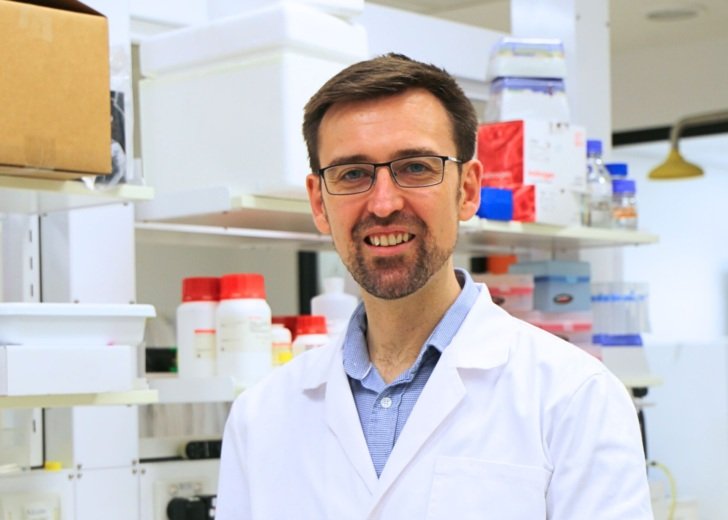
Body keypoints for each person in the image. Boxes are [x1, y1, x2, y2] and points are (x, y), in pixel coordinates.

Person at [216, 53, 652, 519]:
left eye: (416, 167)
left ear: (467, 189)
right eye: (352, 174)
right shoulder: (260, 416)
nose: (383, 204)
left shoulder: (575, 396)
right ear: (319, 203)